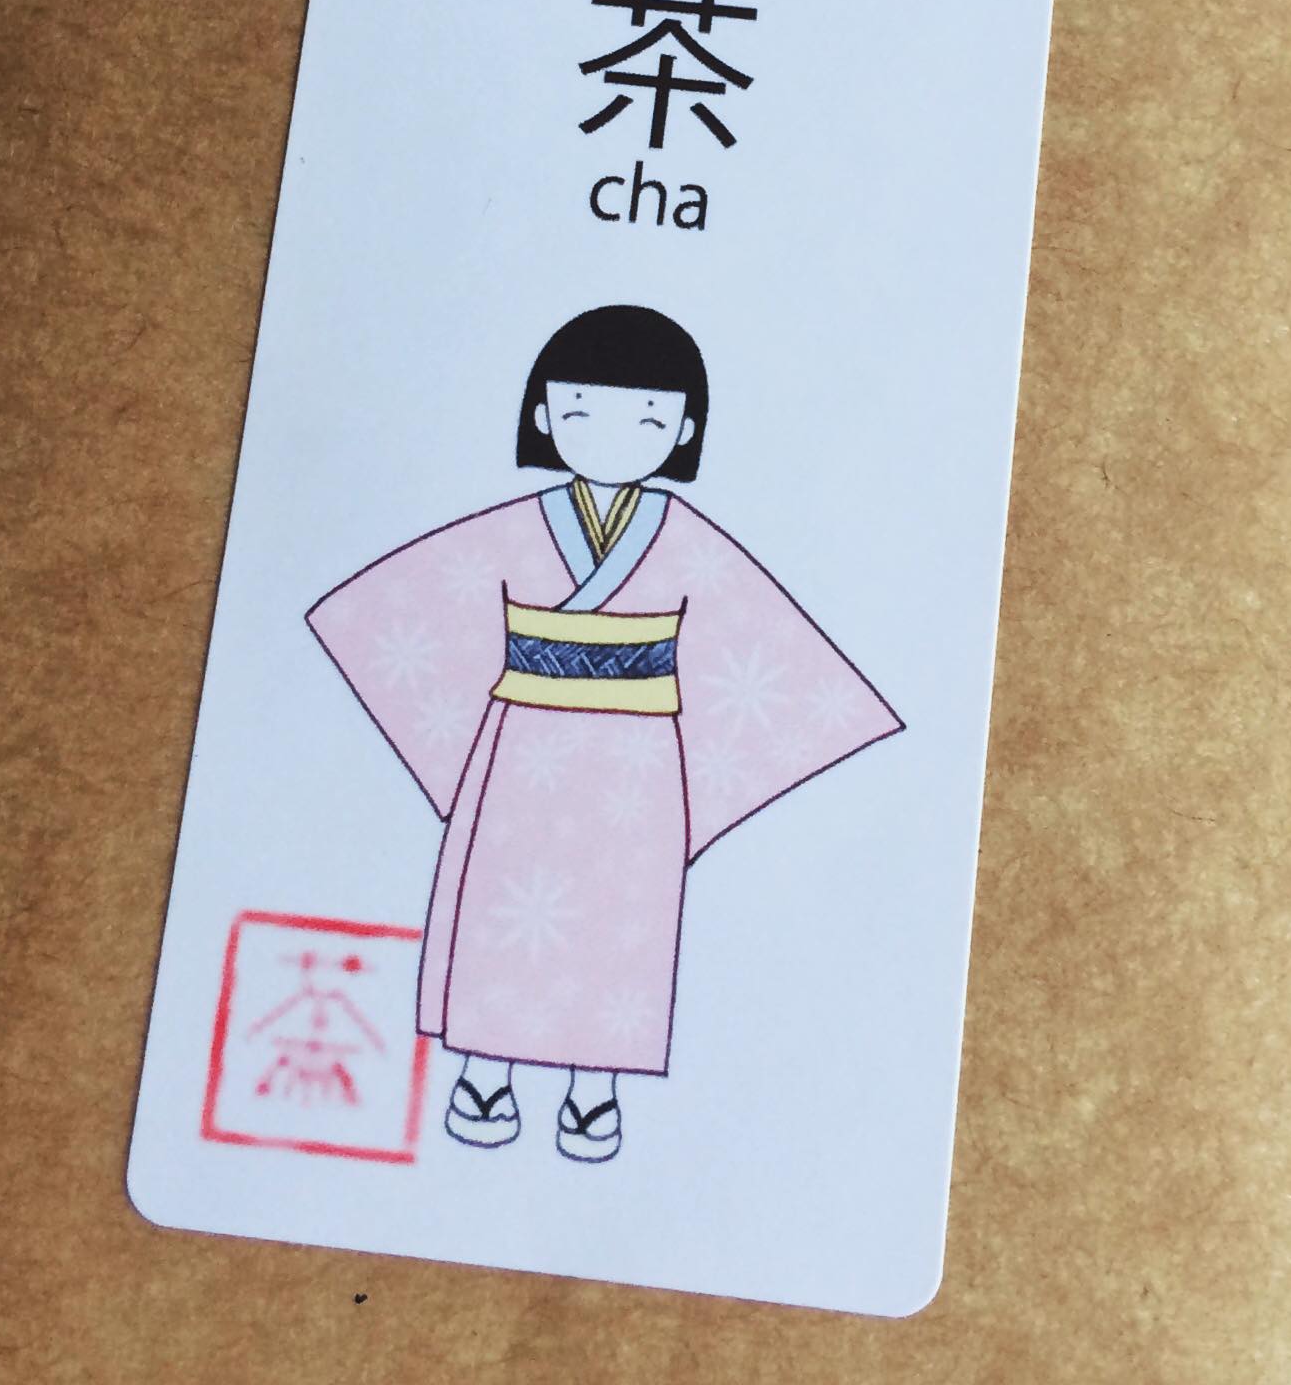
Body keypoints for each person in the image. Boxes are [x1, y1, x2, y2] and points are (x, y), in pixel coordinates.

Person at [307, 304, 899, 1163]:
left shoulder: (686, 540)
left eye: (649, 420)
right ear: (545, 415)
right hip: (521, 749)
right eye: (583, 411)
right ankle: (485, 1070)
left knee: (618, 917)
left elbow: (758, 653)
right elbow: (406, 612)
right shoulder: (515, 529)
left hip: (639, 763)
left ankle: (596, 1088)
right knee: (503, 907)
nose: (616, 436)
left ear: (685, 430)